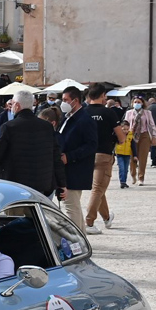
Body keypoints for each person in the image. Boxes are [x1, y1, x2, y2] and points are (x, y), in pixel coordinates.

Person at [0, 89, 65, 199]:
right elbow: (56, 157)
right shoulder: (47, 126)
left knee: (16, 216)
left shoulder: (9, 127)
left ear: (16, 105)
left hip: (15, 186)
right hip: (41, 185)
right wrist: (62, 184)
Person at [84, 85, 125, 230]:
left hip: (85, 155)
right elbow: (121, 137)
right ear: (102, 95)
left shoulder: (83, 112)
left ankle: (107, 217)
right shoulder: (109, 113)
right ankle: (89, 222)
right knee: (98, 189)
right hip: (103, 154)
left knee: (99, 188)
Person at [56, 87, 96, 232]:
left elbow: (91, 145)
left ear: (75, 101)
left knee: (71, 206)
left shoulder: (84, 119)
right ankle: (81, 237)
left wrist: (70, 156)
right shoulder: (68, 117)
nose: (63, 103)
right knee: (74, 206)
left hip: (75, 169)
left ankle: (77, 239)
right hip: (66, 168)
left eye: (66, 100)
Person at [124, 98, 156, 186]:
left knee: (143, 157)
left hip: (144, 135)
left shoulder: (147, 113)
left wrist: (154, 136)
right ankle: (133, 174)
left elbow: (152, 124)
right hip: (132, 136)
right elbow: (125, 124)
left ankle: (141, 177)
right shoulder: (129, 113)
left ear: (142, 103)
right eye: (135, 102)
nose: (137, 103)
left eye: (139, 102)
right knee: (132, 156)